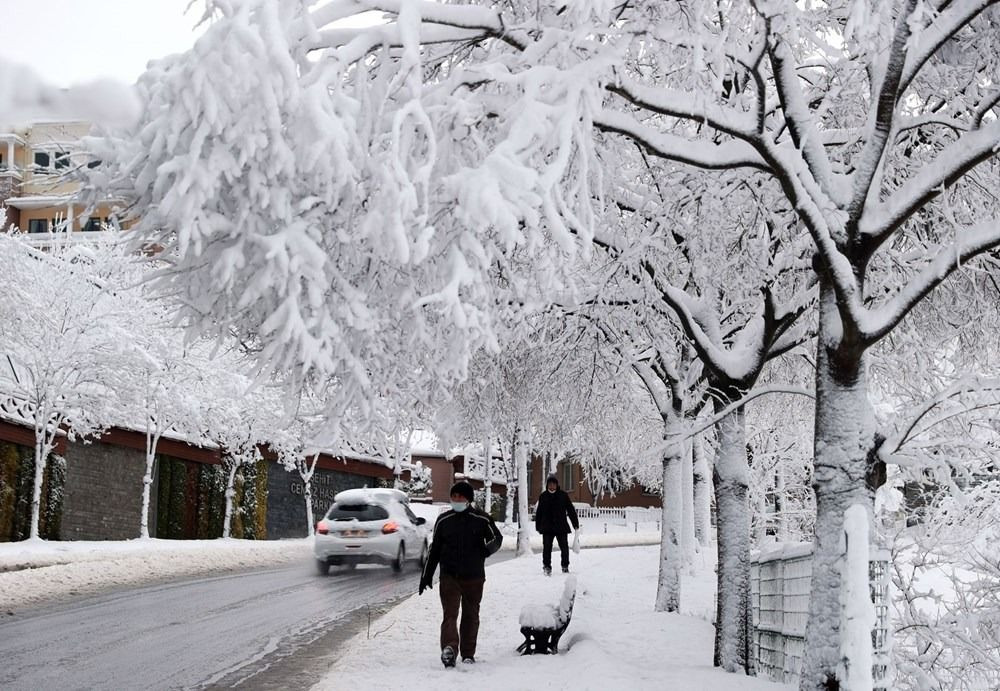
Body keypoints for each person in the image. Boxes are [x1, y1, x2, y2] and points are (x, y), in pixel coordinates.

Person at [419, 481, 503, 668]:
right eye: (454, 496)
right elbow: (435, 550)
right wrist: (427, 575)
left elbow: (497, 539)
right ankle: (449, 649)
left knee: (471, 615)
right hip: (449, 576)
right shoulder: (444, 520)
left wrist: (485, 551)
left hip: (474, 577)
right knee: (450, 614)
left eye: (460, 497)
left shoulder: (481, 519)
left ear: (469, 499)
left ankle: (468, 653)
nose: (456, 500)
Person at [534, 474, 579, 576]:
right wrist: (538, 525)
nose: (552, 486)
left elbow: (570, 510)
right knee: (547, 548)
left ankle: (565, 566)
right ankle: (547, 567)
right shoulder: (543, 496)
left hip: (561, 527)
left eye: (554, 484)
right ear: (547, 485)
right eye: (550, 484)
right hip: (547, 527)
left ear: (557, 485)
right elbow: (539, 512)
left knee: (564, 548)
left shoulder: (563, 495)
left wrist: (575, 524)